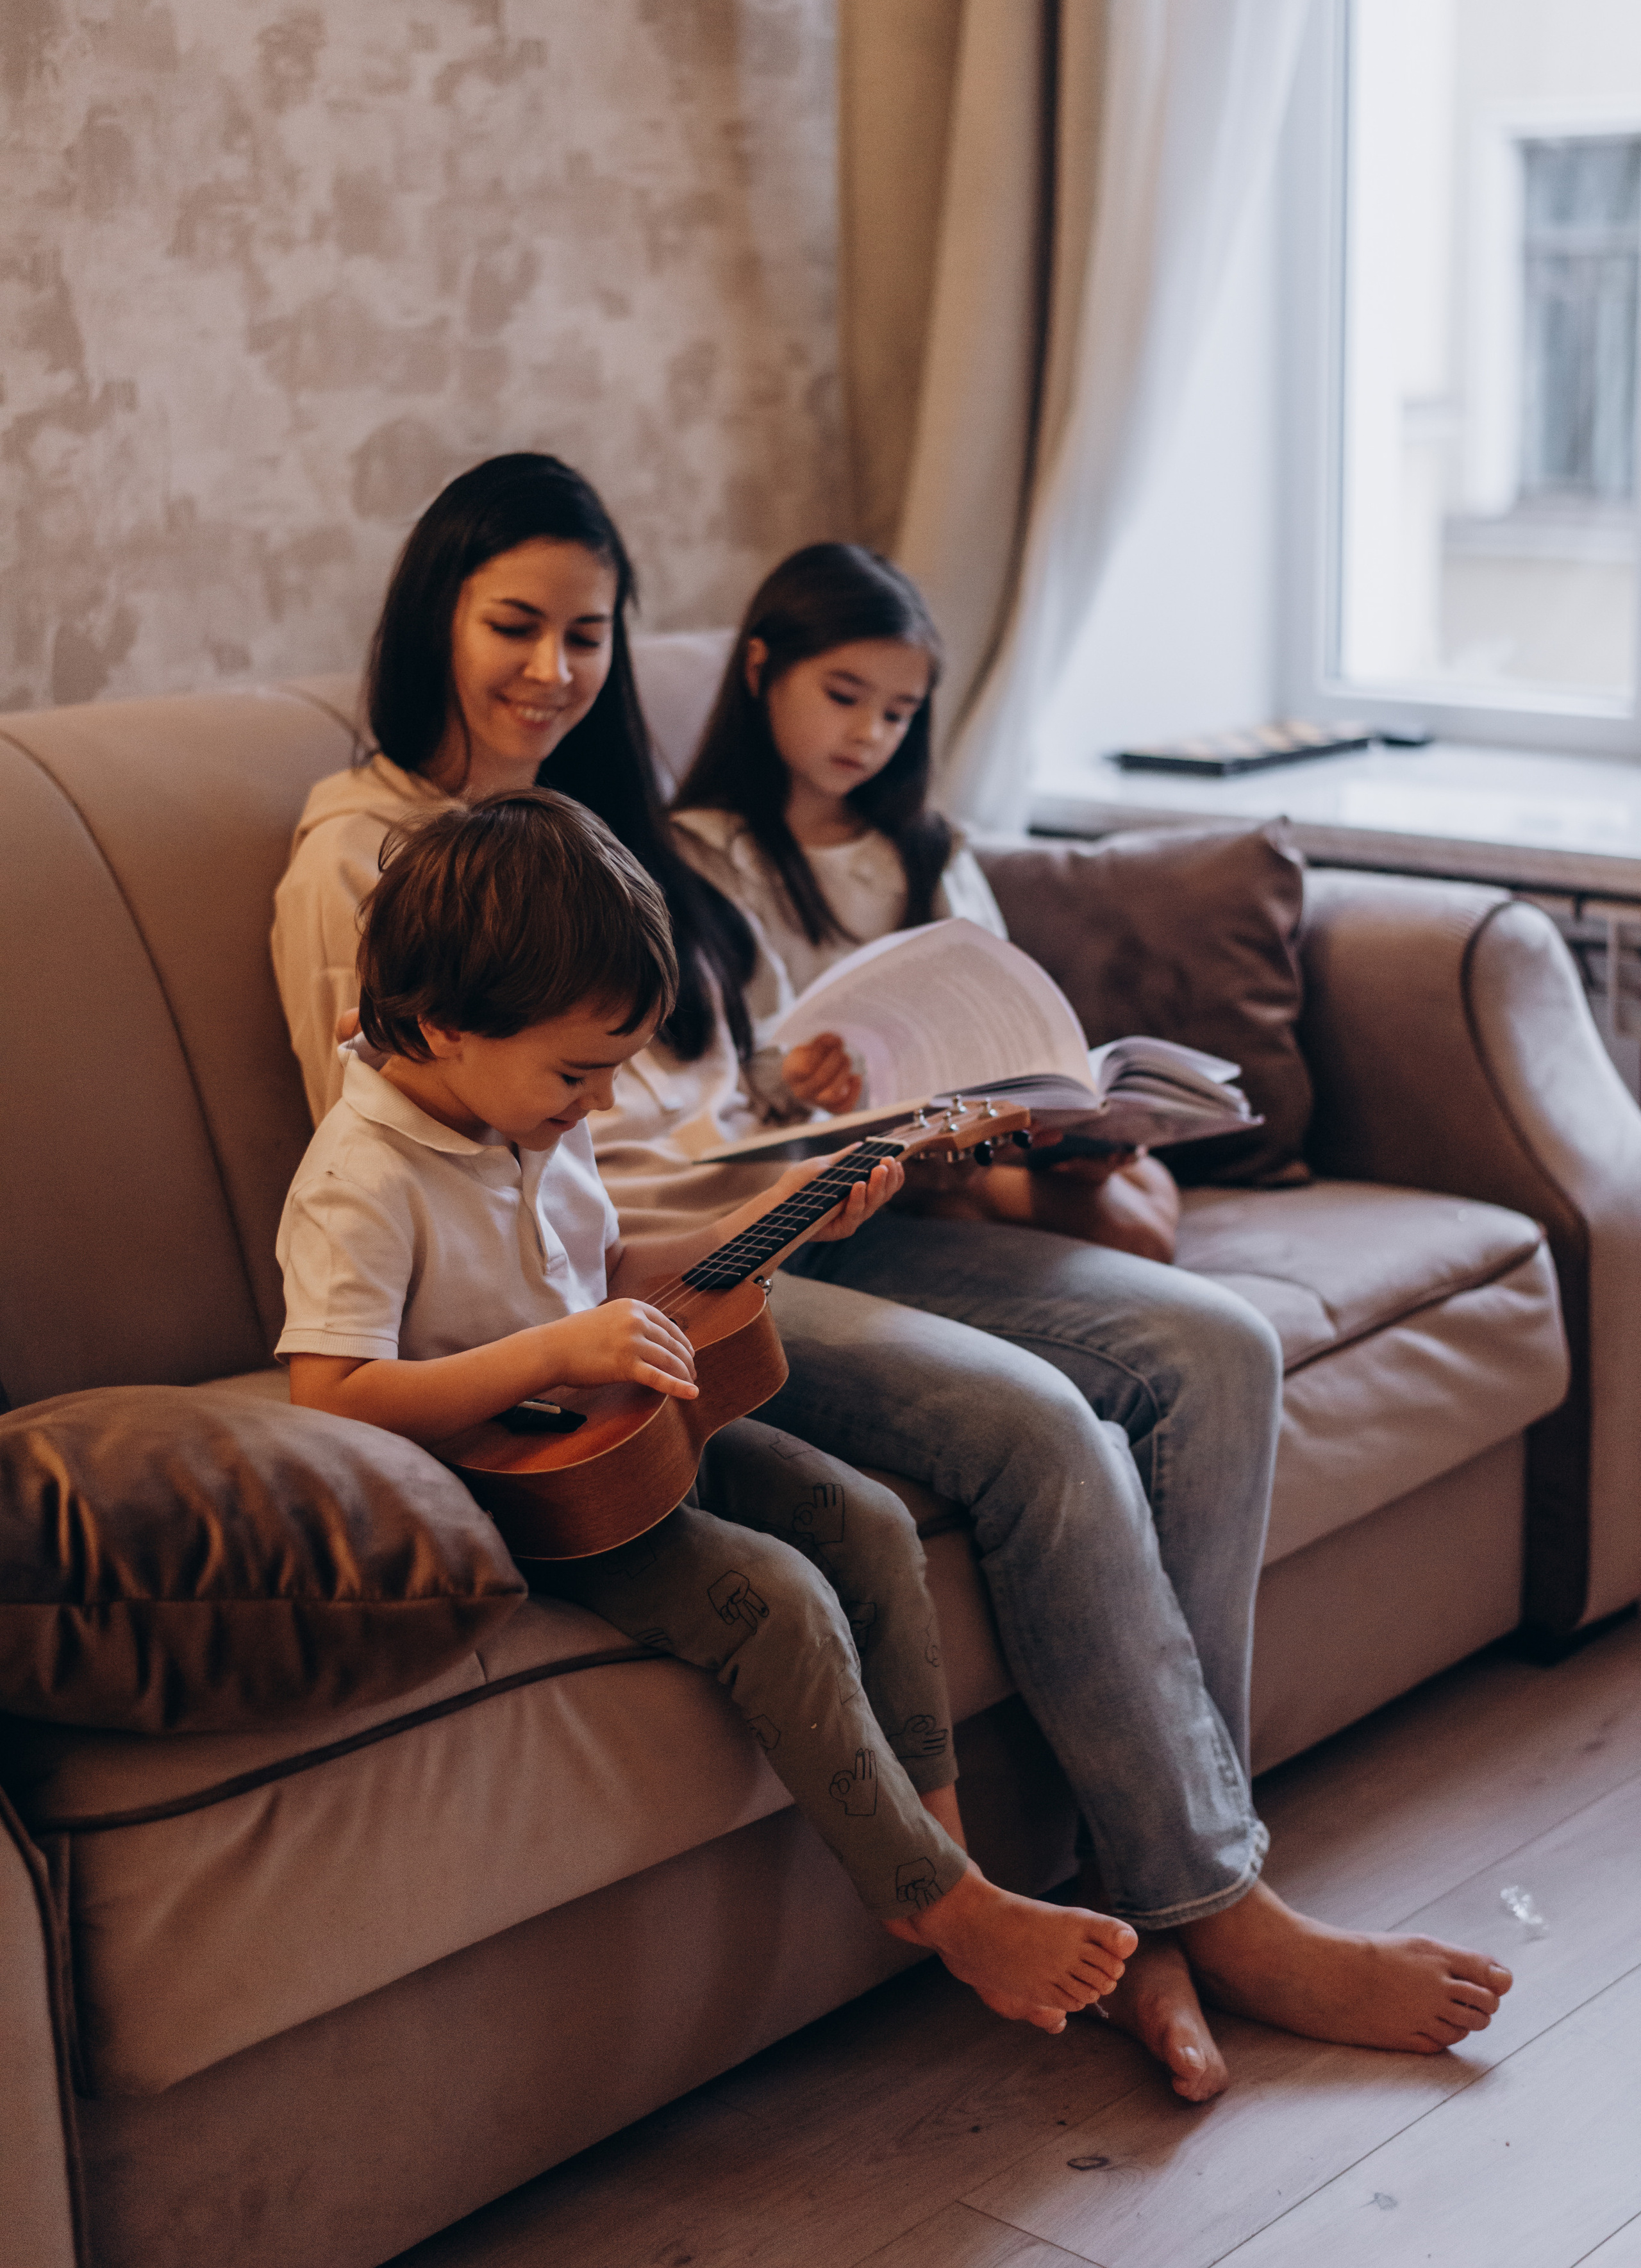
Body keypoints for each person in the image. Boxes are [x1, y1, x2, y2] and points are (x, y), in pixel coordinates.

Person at [272, 454, 1513, 2103]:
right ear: (432, 614)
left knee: (1214, 1346)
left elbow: (682, 1081)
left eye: (589, 632)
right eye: (516, 624)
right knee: (1039, 1428)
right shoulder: (370, 864)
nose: (554, 670)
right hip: (661, 1272)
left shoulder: (611, 819)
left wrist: (823, 1117)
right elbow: (433, 1159)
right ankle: (1200, 1908)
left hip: (763, 1206)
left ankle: (1171, 1881)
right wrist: (720, 1212)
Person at [276, 787, 1137, 2030]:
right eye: (578, 1072)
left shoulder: (530, 1108)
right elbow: (331, 1390)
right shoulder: (359, 1179)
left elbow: (614, 1267)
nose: (598, 1104)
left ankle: (941, 1855)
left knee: (865, 1522)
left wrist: (779, 1211)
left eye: (610, 1072)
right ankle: (941, 1907)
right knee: (776, 1598)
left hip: (618, 1423)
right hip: (525, 1491)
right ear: (447, 1027)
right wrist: (548, 1349)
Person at [671, 540, 1178, 1262]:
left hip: (960, 1125)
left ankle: (997, 1189)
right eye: (843, 696)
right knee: (1139, 1230)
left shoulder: (923, 846)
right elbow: (710, 1063)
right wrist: (795, 1072)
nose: (868, 734)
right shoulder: (702, 855)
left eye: (899, 713)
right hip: (831, 1148)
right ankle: (972, 1202)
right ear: (760, 670)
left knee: (1144, 1180)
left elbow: (1002, 995)